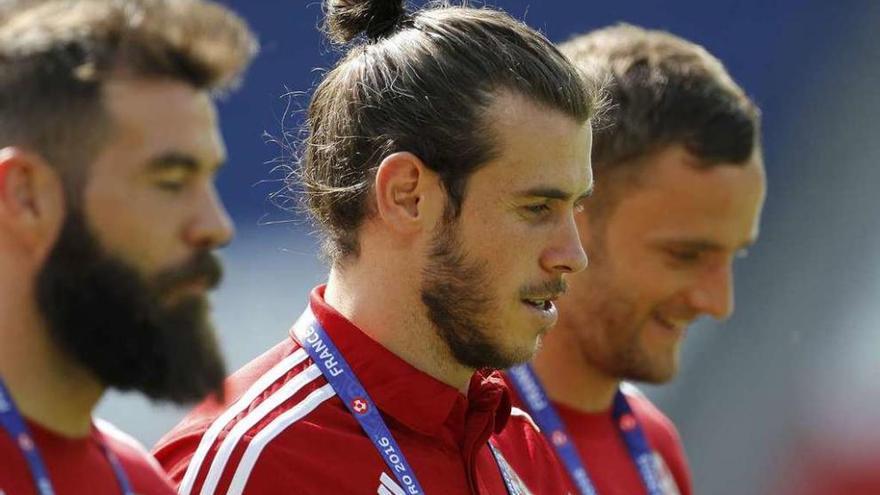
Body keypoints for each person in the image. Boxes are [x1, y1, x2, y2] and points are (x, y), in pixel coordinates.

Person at [153, 0, 602, 493]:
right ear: (406, 195)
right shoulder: (256, 463)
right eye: (537, 207)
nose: (572, 255)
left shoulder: (518, 445)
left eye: (576, 207)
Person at [0, 1, 256, 494]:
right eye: (171, 180)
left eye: (209, 180)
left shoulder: (140, 482)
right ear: (26, 197)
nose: (216, 227)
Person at [505, 23, 766, 495]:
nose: (717, 302)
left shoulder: (653, 445)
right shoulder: (462, 429)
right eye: (685, 255)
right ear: (569, 218)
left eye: (733, 256)